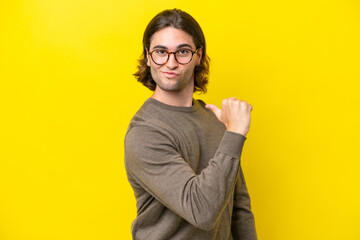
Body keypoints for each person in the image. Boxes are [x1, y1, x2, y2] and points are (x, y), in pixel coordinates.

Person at [124, 8, 257, 240]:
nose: (171, 63)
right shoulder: (144, 133)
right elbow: (201, 210)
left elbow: (238, 207)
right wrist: (235, 132)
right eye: (160, 52)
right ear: (148, 56)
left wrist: (229, 133)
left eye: (182, 51)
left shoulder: (214, 120)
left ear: (198, 55)